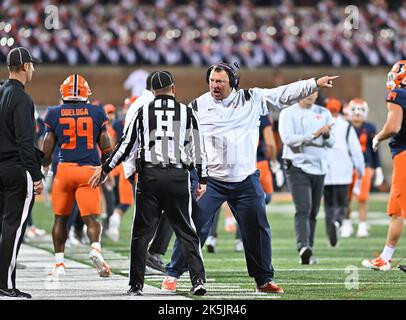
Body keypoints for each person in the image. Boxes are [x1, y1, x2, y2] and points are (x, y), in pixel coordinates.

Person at [162, 61, 338, 293]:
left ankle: (263, 279)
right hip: (211, 180)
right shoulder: (197, 105)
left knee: (257, 228)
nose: (215, 86)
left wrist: (313, 83)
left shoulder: (251, 99)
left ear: (233, 82)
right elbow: (184, 139)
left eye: (220, 82)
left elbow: (282, 94)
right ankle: (173, 273)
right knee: (195, 227)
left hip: (245, 178)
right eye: (212, 81)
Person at [89, 70, 208, 296]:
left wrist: (106, 168)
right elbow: (198, 150)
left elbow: (125, 146)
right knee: (186, 231)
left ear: (152, 91)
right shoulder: (187, 112)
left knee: (141, 233)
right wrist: (201, 178)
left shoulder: (143, 111)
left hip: (150, 177)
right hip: (177, 176)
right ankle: (198, 280)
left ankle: (136, 285)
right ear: (173, 88)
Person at [41, 74, 113, 278]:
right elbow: (107, 148)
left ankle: (59, 264)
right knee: (91, 219)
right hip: (88, 171)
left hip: (64, 170)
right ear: (86, 93)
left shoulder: (54, 113)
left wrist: (44, 170)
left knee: (60, 219)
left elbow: (46, 150)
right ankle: (95, 248)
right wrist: (105, 169)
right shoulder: (97, 112)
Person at [0, 47, 43, 299]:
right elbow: (26, 142)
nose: (34, 69)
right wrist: (36, 176)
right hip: (16, 169)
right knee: (13, 228)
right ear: (25, 67)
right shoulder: (22, 98)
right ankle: (5, 284)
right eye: (32, 65)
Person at [279, 90, 334, 264]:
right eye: (307, 91)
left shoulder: (323, 112)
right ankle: (303, 246)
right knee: (303, 207)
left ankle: (308, 249)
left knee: (314, 211)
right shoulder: (288, 112)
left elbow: (331, 142)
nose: (311, 95)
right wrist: (314, 135)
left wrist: (326, 135)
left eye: (314, 92)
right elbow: (288, 139)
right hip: (297, 165)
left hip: (319, 167)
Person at [362, 60, 406, 271]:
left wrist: (378, 137)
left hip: (404, 155)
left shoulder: (398, 94)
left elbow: (394, 125)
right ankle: (385, 257)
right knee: (396, 211)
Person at [323, 97, 365, 247]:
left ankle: (330, 237)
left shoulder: (321, 124)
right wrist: (361, 169)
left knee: (328, 205)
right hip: (343, 171)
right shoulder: (346, 126)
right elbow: (355, 151)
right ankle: (337, 222)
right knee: (342, 204)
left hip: (324, 171)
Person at [341, 98, 384, 238]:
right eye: (355, 110)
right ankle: (346, 224)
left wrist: (378, 168)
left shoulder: (370, 128)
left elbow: (375, 151)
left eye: (361, 110)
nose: (358, 113)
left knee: (363, 198)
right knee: (346, 198)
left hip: (366, 167)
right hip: (347, 167)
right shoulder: (344, 126)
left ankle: (362, 225)